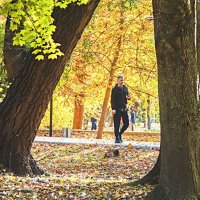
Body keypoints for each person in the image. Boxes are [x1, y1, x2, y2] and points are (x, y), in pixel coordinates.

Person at [111, 75, 130, 143]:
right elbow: (112, 99)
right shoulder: (114, 89)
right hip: (116, 109)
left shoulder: (125, 88)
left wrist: (128, 98)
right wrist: (113, 108)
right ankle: (117, 138)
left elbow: (128, 96)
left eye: (123, 80)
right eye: (121, 80)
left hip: (124, 108)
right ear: (118, 81)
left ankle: (119, 134)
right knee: (117, 124)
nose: (122, 81)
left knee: (127, 123)